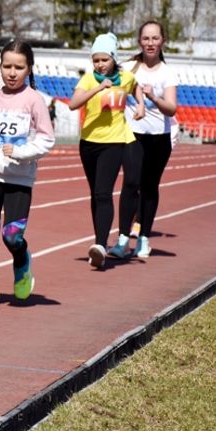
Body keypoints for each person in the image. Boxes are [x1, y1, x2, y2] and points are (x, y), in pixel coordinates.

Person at [0, 40, 56, 310]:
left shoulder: (34, 100)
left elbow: (47, 140)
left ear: (29, 68)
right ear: (0, 66)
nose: (12, 72)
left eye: (19, 67)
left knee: (12, 236)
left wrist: (20, 152)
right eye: (7, 66)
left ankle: (22, 260)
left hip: (20, 178)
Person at [68, 32, 143, 269]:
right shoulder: (89, 80)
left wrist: (140, 104)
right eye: (96, 60)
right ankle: (99, 241)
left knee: (103, 193)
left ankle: (100, 244)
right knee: (95, 194)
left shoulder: (126, 77)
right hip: (89, 142)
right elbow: (73, 104)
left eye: (104, 59)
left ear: (113, 58)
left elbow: (136, 86)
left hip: (114, 141)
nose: (100, 64)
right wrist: (99, 88)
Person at [112, 20, 178, 259]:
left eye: (155, 38)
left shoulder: (167, 73)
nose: (150, 43)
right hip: (132, 134)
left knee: (150, 187)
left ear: (163, 41)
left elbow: (171, 108)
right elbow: (107, 77)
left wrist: (154, 97)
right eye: (146, 39)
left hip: (159, 138)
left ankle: (143, 239)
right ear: (140, 41)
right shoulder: (129, 67)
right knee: (130, 183)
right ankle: (121, 240)